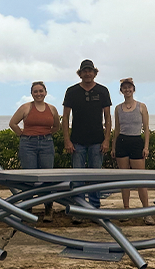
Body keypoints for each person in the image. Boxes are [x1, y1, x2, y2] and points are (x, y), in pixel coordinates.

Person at [62, 59, 112, 218]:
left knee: (96, 177)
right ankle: (79, 210)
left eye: (90, 71)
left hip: (97, 141)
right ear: (80, 73)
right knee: (77, 177)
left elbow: (108, 118)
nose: (87, 73)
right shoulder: (71, 91)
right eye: (85, 71)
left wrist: (106, 140)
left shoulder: (103, 91)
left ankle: (94, 209)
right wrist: (67, 140)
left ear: (95, 73)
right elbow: (65, 117)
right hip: (77, 142)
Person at [8, 81, 61, 222]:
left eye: (41, 91)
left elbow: (57, 126)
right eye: (35, 91)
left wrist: (46, 135)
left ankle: (48, 209)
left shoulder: (52, 109)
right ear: (32, 93)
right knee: (29, 177)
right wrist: (22, 135)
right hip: (28, 145)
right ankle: (28, 208)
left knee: (47, 177)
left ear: (45, 92)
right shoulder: (25, 107)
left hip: (46, 144)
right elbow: (13, 123)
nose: (38, 94)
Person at [111, 77, 154, 225]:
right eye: (124, 88)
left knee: (140, 180)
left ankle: (147, 212)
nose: (127, 90)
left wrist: (146, 147)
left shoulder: (141, 106)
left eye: (129, 87)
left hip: (136, 142)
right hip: (122, 142)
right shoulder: (117, 108)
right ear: (121, 90)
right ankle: (126, 209)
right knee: (124, 179)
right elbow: (116, 129)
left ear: (133, 89)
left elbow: (146, 128)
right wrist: (113, 146)